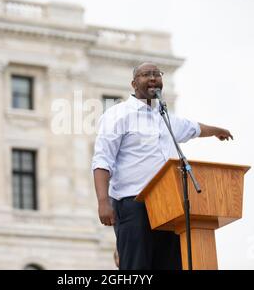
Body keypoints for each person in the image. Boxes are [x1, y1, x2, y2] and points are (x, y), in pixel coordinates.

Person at [91, 62, 233, 270]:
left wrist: (218, 130)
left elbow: (195, 128)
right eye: (145, 74)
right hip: (134, 204)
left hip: (169, 206)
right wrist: (103, 201)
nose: (152, 78)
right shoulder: (117, 115)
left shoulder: (166, 117)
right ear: (133, 83)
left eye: (156, 74)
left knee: (171, 265)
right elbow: (102, 160)